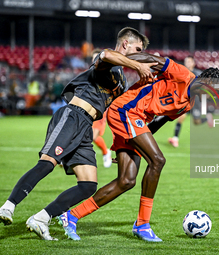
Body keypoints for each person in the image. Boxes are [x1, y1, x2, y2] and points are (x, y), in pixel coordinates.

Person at [0, 27, 156, 241]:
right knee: (47, 163)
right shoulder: (110, 59)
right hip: (73, 115)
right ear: (125, 44)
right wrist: (138, 65)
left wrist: (121, 148)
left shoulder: (121, 80)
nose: (140, 54)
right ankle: (8, 206)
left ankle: (41, 218)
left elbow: (122, 113)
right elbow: (107, 55)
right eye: (137, 49)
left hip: (86, 127)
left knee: (88, 185)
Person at [57, 52, 219, 242]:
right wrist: (126, 60)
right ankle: (142, 224)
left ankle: (70, 216)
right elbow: (151, 58)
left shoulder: (187, 105)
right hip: (126, 111)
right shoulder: (182, 74)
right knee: (158, 161)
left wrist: (137, 144)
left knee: (126, 181)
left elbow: (159, 121)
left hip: (136, 122)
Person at [168, 55, 213, 148]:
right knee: (181, 117)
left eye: (189, 61)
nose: (187, 63)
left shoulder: (198, 74)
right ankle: (175, 139)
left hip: (195, 101)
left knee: (196, 122)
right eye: (186, 61)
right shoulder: (181, 72)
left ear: (193, 63)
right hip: (185, 100)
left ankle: (208, 118)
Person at [91, 48, 111, 168]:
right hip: (88, 108)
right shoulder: (90, 73)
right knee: (85, 135)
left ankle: (105, 152)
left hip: (101, 109)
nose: (94, 60)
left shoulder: (107, 73)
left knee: (93, 136)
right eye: (93, 58)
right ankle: (106, 152)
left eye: (96, 58)